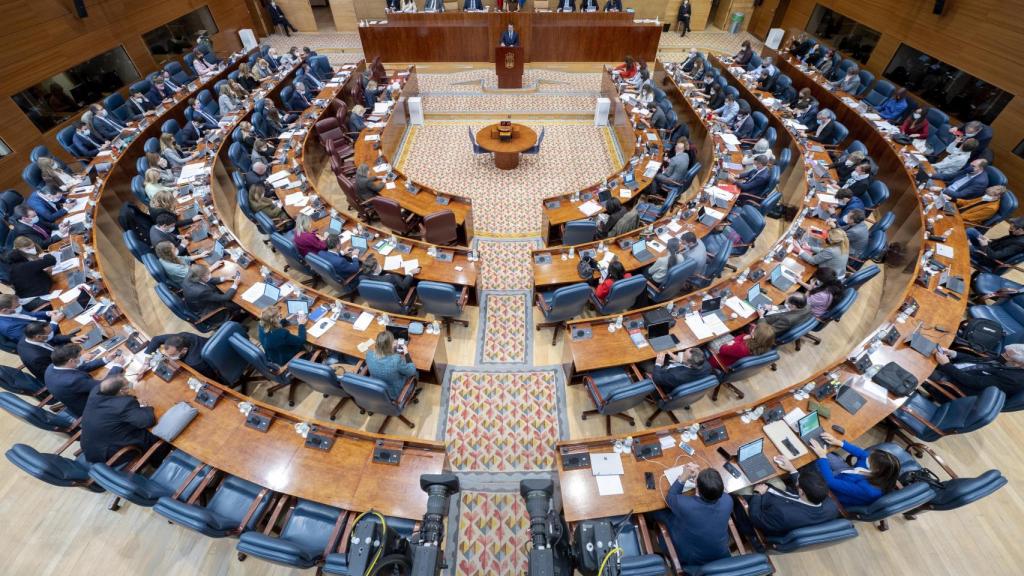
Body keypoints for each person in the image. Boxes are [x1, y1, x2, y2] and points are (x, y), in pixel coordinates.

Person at [654, 465, 732, 566]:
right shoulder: (728, 500)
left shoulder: (686, 505)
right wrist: (703, 479)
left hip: (694, 560)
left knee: (657, 512)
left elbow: (671, 496)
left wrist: (684, 476)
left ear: (697, 489)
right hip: (721, 553)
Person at [742, 457, 839, 537]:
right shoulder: (829, 505)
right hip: (782, 496)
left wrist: (757, 494)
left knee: (741, 483)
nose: (797, 481)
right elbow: (809, 488)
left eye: (798, 482)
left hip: (762, 502)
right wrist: (792, 469)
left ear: (801, 492)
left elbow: (756, 518)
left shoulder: (783, 515)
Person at [80, 373, 162, 464]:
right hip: (109, 454)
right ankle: (157, 462)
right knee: (157, 434)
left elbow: (115, 404)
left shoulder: (96, 391)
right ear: (121, 391)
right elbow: (148, 421)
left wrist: (133, 401)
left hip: (89, 447)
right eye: (127, 386)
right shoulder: (123, 405)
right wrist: (147, 407)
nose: (129, 387)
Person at [811, 433, 900, 507]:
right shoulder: (881, 471)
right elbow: (863, 454)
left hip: (836, 490)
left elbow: (830, 482)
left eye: (870, 458)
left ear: (876, 469)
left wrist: (822, 457)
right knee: (825, 453)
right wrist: (839, 442)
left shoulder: (868, 490)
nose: (867, 457)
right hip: (847, 474)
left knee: (812, 463)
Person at [45, 344, 124, 418]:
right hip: (91, 407)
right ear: (71, 361)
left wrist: (106, 359)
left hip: (74, 398)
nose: (81, 358)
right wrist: (117, 366)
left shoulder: (53, 366)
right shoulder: (72, 381)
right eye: (79, 356)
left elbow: (81, 368)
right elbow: (104, 386)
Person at [932, 344, 1024, 395]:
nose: (1002, 355)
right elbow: (977, 361)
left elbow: (972, 381)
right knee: (930, 349)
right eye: (1005, 352)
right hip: (955, 370)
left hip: (954, 385)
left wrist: (946, 365)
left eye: (1007, 355)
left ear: (1019, 364)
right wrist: (953, 353)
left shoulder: (1012, 379)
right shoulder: (1008, 361)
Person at [18, 321, 85, 382]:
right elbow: (60, 371)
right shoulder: (37, 357)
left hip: (62, 356)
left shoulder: (29, 336)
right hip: (65, 376)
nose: (51, 334)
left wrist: (70, 338)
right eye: (49, 333)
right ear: (38, 337)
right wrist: (81, 359)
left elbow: (52, 339)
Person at [365, 330, 417, 399]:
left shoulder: (369, 354)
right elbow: (412, 371)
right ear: (389, 346)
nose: (395, 342)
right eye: (393, 342)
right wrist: (406, 353)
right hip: (392, 393)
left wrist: (392, 349)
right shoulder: (396, 360)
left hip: (376, 388)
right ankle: (412, 393)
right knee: (416, 373)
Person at [4, 237, 55, 304]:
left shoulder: (13, 266)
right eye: (28, 248)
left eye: (33, 246)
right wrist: (46, 255)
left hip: (36, 292)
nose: (32, 249)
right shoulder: (22, 266)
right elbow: (51, 260)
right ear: (20, 250)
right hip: (36, 298)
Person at [711, 321, 775, 370]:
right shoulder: (764, 346)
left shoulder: (742, 348)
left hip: (719, 360)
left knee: (712, 336)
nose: (753, 327)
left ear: (754, 336)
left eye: (755, 329)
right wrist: (739, 339)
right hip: (734, 355)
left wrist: (735, 341)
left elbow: (722, 349)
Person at [144, 332, 212, 373]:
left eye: (173, 355)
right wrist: (146, 363)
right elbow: (156, 339)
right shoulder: (180, 337)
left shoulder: (194, 362)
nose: (168, 357)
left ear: (184, 350)